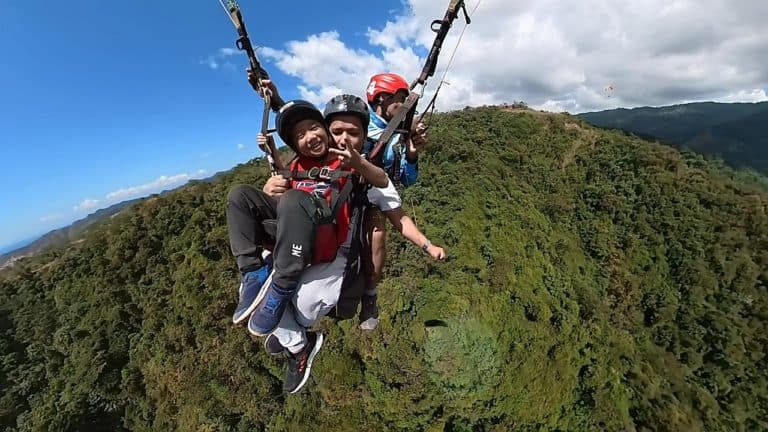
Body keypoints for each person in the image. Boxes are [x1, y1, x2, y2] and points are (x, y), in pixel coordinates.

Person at [227, 92, 388, 392]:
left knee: (292, 202)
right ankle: (253, 273)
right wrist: (272, 173)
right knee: (240, 196)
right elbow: (281, 184)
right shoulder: (297, 165)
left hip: (324, 238)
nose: (310, 137)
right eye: (300, 135)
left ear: (325, 128)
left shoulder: (345, 158)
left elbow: (380, 179)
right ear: (294, 144)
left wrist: (358, 162)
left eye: (314, 128)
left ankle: (290, 321)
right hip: (294, 238)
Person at [359, 73, 431, 329]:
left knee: (377, 232)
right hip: (348, 189)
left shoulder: (399, 134)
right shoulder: (361, 122)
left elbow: (407, 180)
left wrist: (411, 154)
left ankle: (370, 293)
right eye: (400, 100)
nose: (404, 107)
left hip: (375, 195)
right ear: (382, 99)